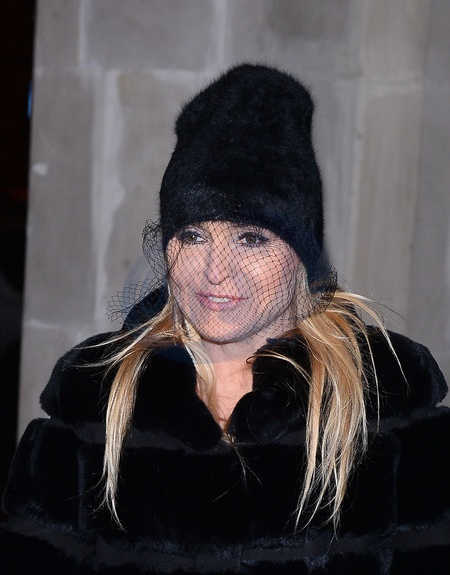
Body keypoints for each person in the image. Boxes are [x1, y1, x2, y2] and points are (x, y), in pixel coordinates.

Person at [1, 63, 450, 574]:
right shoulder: (94, 401)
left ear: (302, 254)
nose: (216, 271)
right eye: (193, 236)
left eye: (251, 239)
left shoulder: (387, 402)